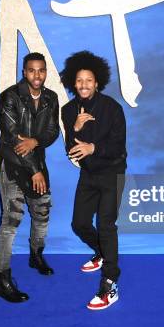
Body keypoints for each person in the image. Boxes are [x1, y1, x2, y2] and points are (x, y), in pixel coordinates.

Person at [60, 50, 127, 311]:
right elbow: (70, 149)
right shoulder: (68, 111)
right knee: (79, 223)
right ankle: (102, 252)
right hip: (88, 174)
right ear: (73, 83)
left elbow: (119, 147)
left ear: (97, 82)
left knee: (107, 225)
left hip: (112, 172)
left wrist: (93, 148)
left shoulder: (112, 108)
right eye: (79, 81)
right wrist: (75, 129)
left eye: (89, 80)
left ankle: (110, 283)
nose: (84, 85)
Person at [0, 52, 60, 303]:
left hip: (37, 165)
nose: (37, 75)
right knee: (10, 222)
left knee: (42, 214)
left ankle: (36, 255)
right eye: (32, 70)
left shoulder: (51, 98)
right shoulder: (9, 97)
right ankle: (2, 278)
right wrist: (35, 170)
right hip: (12, 166)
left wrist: (36, 140)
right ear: (24, 72)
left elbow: (52, 131)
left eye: (41, 70)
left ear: (45, 72)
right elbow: (14, 140)